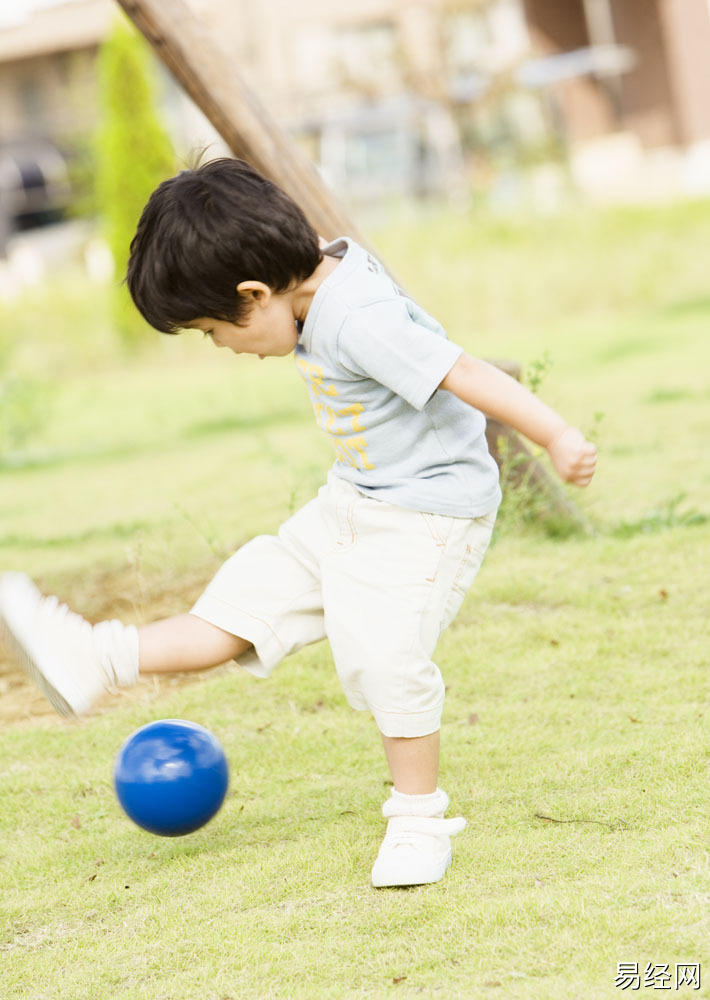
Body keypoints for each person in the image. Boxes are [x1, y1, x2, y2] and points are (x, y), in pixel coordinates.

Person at [0, 158, 597, 888]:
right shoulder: (314, 288)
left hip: (425, 516)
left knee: (385, 656)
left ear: (255, 294)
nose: (222, 346)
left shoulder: (357, 318)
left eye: (216, 329)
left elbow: (464, 372)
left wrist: (556, 434)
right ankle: (94, 657)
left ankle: (418, 819)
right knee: (245, 600)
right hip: (354, 500)